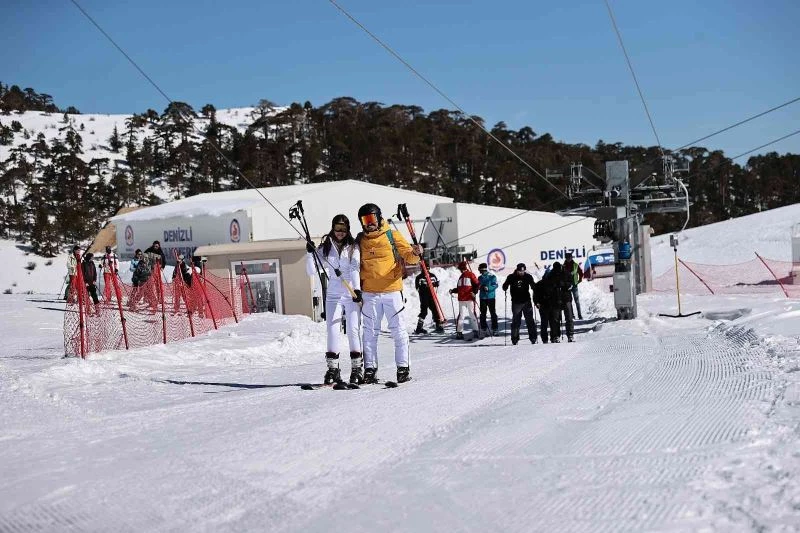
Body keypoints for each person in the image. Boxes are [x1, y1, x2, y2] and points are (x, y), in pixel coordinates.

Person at [357, 203, 422, 384]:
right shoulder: (360, 240)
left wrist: (416, 253)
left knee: (398, 331)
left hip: (392, 291)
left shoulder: (391, 235)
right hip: (370, 293)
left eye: (372, 218)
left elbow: (408, 255)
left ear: (378, 218)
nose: (369, 223)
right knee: (369, 333)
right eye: (365, 220)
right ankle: (369, 369)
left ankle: (403, 368)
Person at [306, 214, 363, 385]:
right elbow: (310, 272)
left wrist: (357, 289)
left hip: (351, 292)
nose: (340, 232)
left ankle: (356, 369)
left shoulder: (353, 247)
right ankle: (333, 369)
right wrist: (309, 253)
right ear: (332, 228)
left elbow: (354, 268)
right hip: (333, 294)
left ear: (348, 230)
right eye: (337, 229)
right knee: (332, 330)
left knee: (353, 329)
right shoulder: (325, 248)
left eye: (343, 229)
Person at [537, 261, 575, 342]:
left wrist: (564, 284)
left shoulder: (566, 273)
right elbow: (547, 287)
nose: (557, 271)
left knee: (569, 317)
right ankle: (556, 335)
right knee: (555, 319)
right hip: (555, 299)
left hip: (566, 298)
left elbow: (571, 284)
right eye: (555, 270)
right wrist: (553, 286)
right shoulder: (551, 274)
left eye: (558, 269)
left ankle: (570, 334)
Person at [501, 262, 538, 345]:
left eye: (523, 271)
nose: (522, 273)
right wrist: (505, 287)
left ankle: (533, 337)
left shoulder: (528, 276)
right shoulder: (511, 277)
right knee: (516, 321)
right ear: (517, 270)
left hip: (526, 302)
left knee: (530, 320)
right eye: (520, 271)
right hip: (516, 302)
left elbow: (533, 285)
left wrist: (534, 287)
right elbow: (505, 285)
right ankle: (514, 338)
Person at [450, 261, 481, 341]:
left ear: (463, 268)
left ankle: (476, 331)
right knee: (461, 316)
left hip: (470, 298)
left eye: (460, 269)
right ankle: (459, 333)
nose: (460, 270)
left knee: (472, 315)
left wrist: (474, 292)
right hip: (461, 299)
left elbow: (477, 284)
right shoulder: (461, 277)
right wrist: (453, 290)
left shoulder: (470, 274)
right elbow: (460, 289)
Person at [413, 260, 445, 334]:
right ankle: (419, 328)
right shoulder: (419, 277)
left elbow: (436, 283)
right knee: (424, 311)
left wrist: (436, 284)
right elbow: (417, 288)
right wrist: (425, 287)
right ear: (422, 269)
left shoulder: (433, 276)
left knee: (435, 310)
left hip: (431, 295)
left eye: (427, 268)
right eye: (424, 268)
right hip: (424, 296)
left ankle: (438, 325)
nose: (426, 270)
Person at [477, 262, 499, 336]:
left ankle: (495, 329)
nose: (479, 271)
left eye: (480, 270)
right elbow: (478, 286)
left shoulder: (492, 276)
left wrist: (488, 288)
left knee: (493, 313)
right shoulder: (479, 278)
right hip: (482, 298)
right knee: (483, 314)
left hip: (490, 297)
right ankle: (483, 329)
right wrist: (480, 287)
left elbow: (495, 285)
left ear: (483, 270)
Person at [563, 252, 584, 320]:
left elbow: (581, 273)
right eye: (567, 258)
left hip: (574, 285)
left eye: (570, 257)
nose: (569, 259)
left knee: (577, 301)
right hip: (567, 286)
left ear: (571, 258)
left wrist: (580, 279)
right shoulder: (563, 266)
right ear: (566, 258)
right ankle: (572, 315)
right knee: (569, 301)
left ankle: (579, 315)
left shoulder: (575, 265)